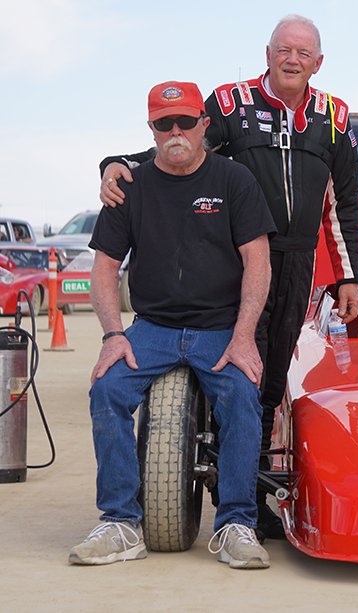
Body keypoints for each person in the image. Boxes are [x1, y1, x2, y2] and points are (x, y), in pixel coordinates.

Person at [98, 15, 358, 539]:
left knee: (268, 378)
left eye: (303, 53)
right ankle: (224, 492)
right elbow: (180, 146)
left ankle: (253, 494)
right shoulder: (228, 103)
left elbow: (344, 201)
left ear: (318, 62)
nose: (293, 59)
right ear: (267, 53)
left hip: (296, 259)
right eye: (284, 49)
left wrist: (351, 276)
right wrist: (113, 163)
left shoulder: (334, 116)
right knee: (239, 365)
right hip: (240, 258)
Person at [69, 81, 276, 568]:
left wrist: (244, 336)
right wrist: (113, 336)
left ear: (204, 124)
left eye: (186, 121)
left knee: (245, 396)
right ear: (152, 130)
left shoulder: (235, 181)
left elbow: (258, 262)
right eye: (165, 124)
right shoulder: (131, 187)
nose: (176, 131)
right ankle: (120, 522)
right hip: (152, 328)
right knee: (107, 389)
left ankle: (236, 525)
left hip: (219, 329)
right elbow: (104, 268)